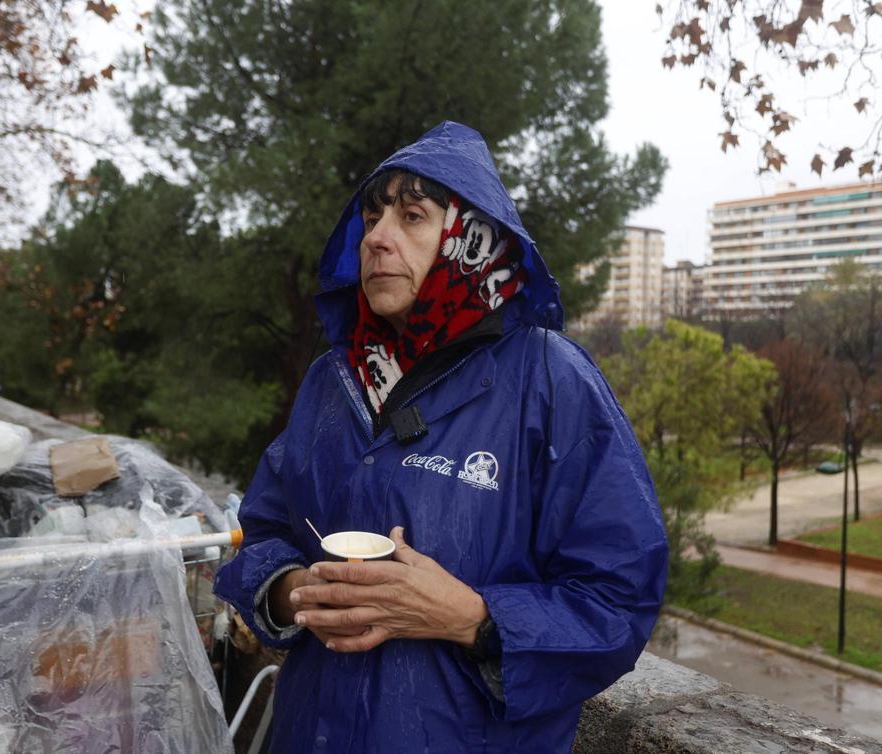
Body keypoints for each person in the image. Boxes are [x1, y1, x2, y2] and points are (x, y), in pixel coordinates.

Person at [213, 121, 667, 753]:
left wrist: (472, 619)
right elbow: (263, 530)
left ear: (468, 241)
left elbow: (618, 601)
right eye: (372, 217)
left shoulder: (553, 381)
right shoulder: (334, 379)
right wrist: (292, 592)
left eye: (412, 216)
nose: (377, 237)